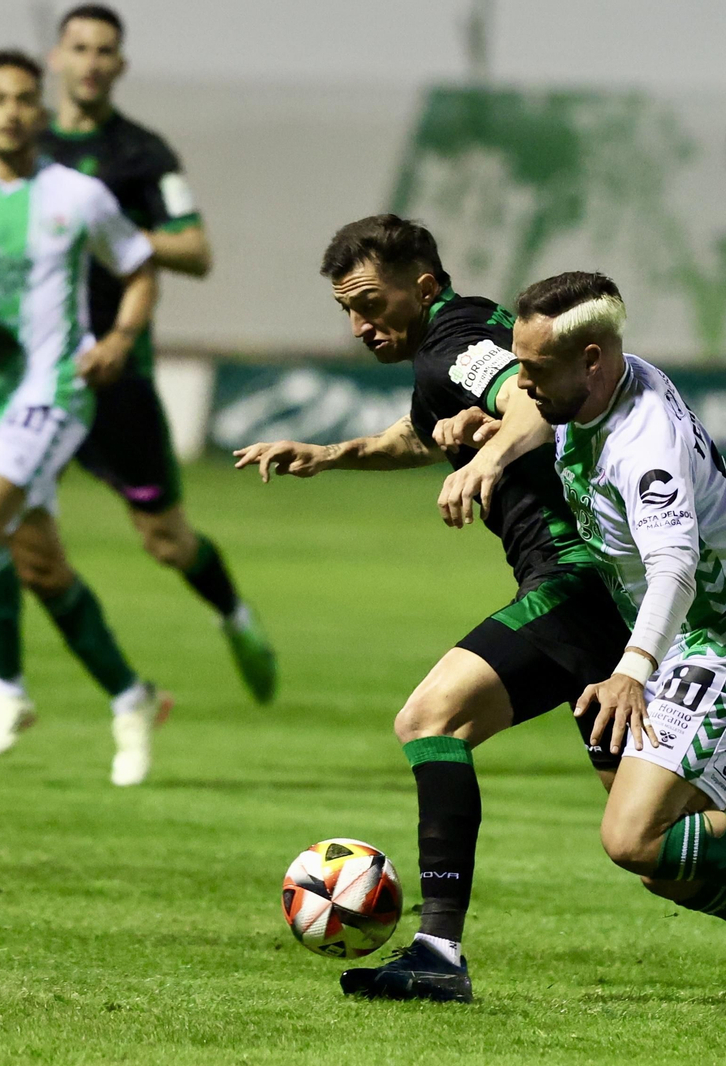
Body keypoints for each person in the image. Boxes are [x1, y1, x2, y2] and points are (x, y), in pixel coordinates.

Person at [445, 270, 726, 1008]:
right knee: (669, 863)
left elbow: (674, 566)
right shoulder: (597, 385)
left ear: (591, 360)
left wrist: (632, 669)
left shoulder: (644, 444)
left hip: (724, 643)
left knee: (632, 838)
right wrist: (492, 446)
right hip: (684, 640)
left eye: (534, 369)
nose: (522, 385)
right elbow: (541, 416)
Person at [232, 215, 630, 1003]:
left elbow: (526, 405)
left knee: (429, 719)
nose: (358, 326)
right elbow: (422, 434)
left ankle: (438, 951)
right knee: (655, 844)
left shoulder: (457, 342)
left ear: (421, 287)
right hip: (595, 591)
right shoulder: (454, 341)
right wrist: (332, 454)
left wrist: (486, 460)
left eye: (369, 303)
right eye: (347, 310)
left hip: (573, 578)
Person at [0, 5, 275, 757]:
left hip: (113, 377)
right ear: (55, 58)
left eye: (105, 51)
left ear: (120, 65)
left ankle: (233, 615)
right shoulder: (20, 142)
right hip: (32, 378)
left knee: (165, 541)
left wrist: (107, 228)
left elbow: (195, 251)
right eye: (78, 47)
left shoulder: (137, 155)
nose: (90, 62)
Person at [0, 49, 169, 786]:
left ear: (40, 114)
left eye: (23, 99)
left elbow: (140, 268)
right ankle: (132, 697)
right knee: (42, 569)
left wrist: (118, 340)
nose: (11, 111)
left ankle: (4, 689)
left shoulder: (78, 196)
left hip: (56, 391)